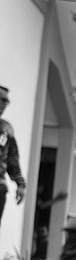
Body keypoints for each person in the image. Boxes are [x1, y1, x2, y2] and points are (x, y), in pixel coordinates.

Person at [0, 86, 26, 229]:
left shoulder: (6, 129)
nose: (5, 104)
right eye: (2, 100)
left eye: (7, 101)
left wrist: (20, 184)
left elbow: (12, 159)